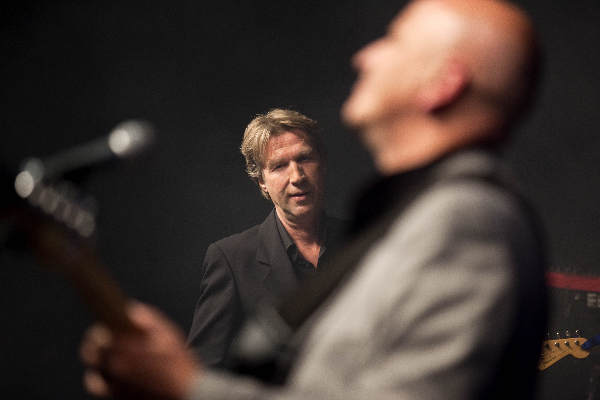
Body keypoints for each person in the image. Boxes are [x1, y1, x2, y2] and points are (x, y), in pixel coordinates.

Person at [79, 0, 547, 399]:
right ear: (261, 180)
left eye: (393, 41)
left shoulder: (466, 223)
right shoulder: (419, 220)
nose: (365, 56)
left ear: (442, 85)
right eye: (278, 166)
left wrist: (184, 386)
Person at [186, 108, 345, 367]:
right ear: (261, 181)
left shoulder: (361, 238)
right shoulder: (231, 259)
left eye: (305, 159)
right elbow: (202, 372)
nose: (297, 177)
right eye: (280, 166)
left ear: (323, 163)